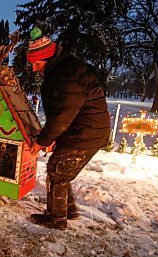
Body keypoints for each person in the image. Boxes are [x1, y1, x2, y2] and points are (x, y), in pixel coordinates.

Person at [27, 27, 111, 229]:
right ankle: (69, 210)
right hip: (85, 130)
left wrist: (41, 142)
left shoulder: (67, 76)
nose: (34, 69)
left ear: (47, 58)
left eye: (36, 63)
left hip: (85, 132)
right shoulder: (64, 70)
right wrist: (51, 136)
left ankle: (56, 219)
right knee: (61, 170)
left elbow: (62, 116)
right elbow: (63, 113)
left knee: (57, 170)